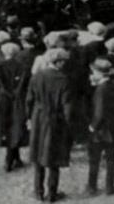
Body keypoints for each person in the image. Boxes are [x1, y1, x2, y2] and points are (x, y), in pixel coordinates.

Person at [26, 48, 74, 202]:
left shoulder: (37, 76)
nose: (64, 64)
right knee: (53, 157)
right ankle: (52, 194)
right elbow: (67, 105)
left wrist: (28, 117)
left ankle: (38, 192)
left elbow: (29, 99)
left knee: (38, 154)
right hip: (56, 119)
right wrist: (69, 124)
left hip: (38, 117)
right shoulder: (64, 79)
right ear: (58, 62)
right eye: (63, 61)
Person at [0, 41, 28, 171]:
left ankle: (10, 159)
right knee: (16, 125)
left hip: (2, 98)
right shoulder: (23, 66)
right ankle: (14, 157)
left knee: (5, 125)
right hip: (19, 99)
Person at [87, 58, 114, 196]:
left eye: (93, 72)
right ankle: (109, 187)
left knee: (94, 159)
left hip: (101, 130)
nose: (91, 74)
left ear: (100, 73)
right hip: (113, 127)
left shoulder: (101, 90)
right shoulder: (113, 84)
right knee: (111, 159)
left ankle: (92, 186)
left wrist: (93, 127)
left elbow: (99, 113)